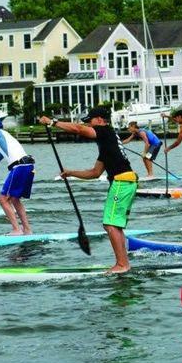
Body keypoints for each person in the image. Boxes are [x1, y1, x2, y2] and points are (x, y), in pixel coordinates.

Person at [39, 108, 138, 273]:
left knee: (110, 225)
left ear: (99, 120)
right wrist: (71, 173)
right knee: (115, 226)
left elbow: (78, 129)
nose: (88, 124)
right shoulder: (108, 142)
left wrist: (52, 122)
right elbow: (95, 173)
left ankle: (122, 265)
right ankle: (124, 263)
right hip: (127, 181)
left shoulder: (105, 130)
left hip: (122, 182)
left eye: (90, 121)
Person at [0, 120, 34, 235]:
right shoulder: (6, 142)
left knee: (3, 199)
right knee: (14, 199)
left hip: (20, 167)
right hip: (28, 166)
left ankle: (16, 230)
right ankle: (27, 230)